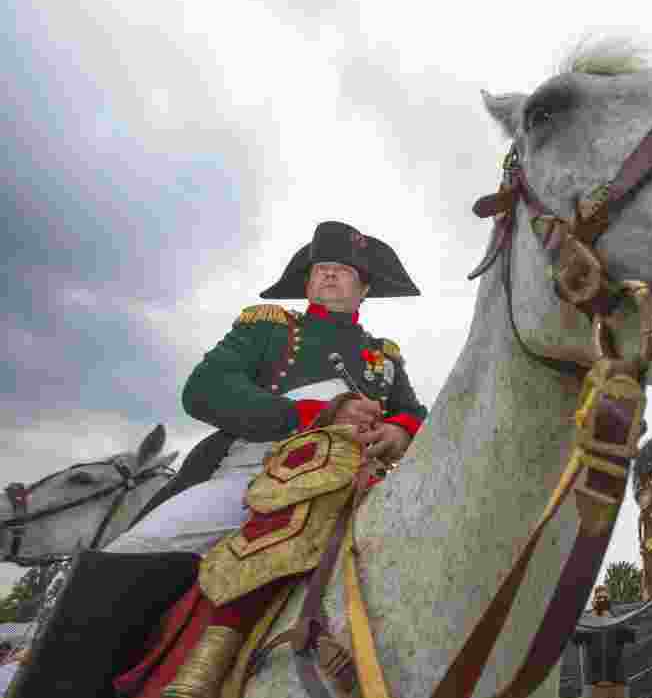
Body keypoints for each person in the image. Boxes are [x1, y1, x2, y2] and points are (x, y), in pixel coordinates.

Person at [14, 221, 428, 698]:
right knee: (129, 552)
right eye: (321, 269)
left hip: (355, 485)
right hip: (257, 476)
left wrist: (400, 430)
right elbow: (205, 390)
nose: (330, 275)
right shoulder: (269, 330)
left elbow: (416, 415)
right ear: (308, 281)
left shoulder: (383, 357)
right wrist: (311, 413)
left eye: (343, 270)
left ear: (366, 286)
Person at [572, 585, 637, 698]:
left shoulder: (616, 618)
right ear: (594, 601)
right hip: (593, 683)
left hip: (618, 682)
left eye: (605, 598)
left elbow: (631, 636)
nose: (602, 601)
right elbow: (575, 639)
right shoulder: (589, 621)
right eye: (599, 598)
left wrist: (611, 616)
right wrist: (591, 619)